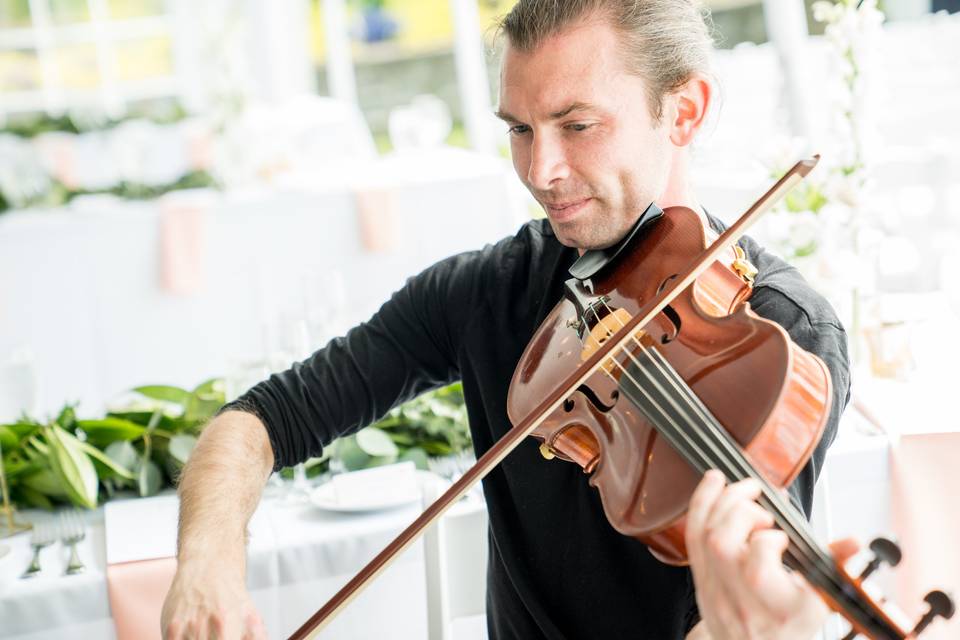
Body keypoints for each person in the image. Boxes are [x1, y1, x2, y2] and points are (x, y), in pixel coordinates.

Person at [161, 1, 852, 638]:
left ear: (685, 112)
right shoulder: (489, 289)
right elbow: (262, 418)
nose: (540, 169)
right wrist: (207, 561)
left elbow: (734, 612)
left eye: (578, 126)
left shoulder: (782, 338)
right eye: (520, 129)